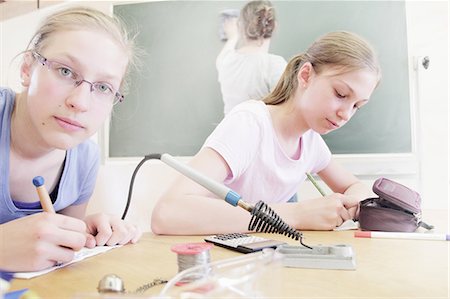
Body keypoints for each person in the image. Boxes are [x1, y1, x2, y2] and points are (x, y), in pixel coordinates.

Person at [151, 31, 381, 235]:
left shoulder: (311, 143)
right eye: (341, 94)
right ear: (306, 76)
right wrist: (296, 214)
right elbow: (167, 213)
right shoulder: (250, 124)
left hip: (258, 259)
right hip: (213, 260)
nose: (346, 114)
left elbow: (355, 187)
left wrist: (355, 202)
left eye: (356, 106)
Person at [0, 6, 142, 272]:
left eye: (103, 87)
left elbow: (57, 266)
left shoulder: (84, 159)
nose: (79, 102)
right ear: (27, 69)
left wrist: (80, 233)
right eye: (65, 71)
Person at [216, 0, 287, 115]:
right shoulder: (275, 65)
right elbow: (285, 109)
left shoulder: (225, 60)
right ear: (274, 27)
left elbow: (227, 50)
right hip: (260, 132)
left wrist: (233, 36)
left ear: (240, 27)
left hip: (230, 131)